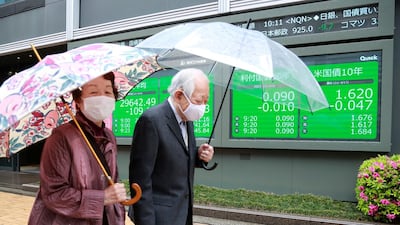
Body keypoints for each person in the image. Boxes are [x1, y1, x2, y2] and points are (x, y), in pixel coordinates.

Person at [28, 72, 127, 225]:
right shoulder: (61, 137)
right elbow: (54, 193)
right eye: (93, 92)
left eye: (108, 92)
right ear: (78, 102)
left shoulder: (109, 136)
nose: (102, 97)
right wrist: (102, 198)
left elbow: (111, 181)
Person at [128, 68, 215, 225]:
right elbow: (140, 179)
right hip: (157, 217)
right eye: (198, 101)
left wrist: (198, 155)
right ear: (179, 95)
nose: (202, 107)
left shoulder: (187, 119)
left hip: (182, 214)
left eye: (206, 101)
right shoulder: (151, 120)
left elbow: (173, 154)